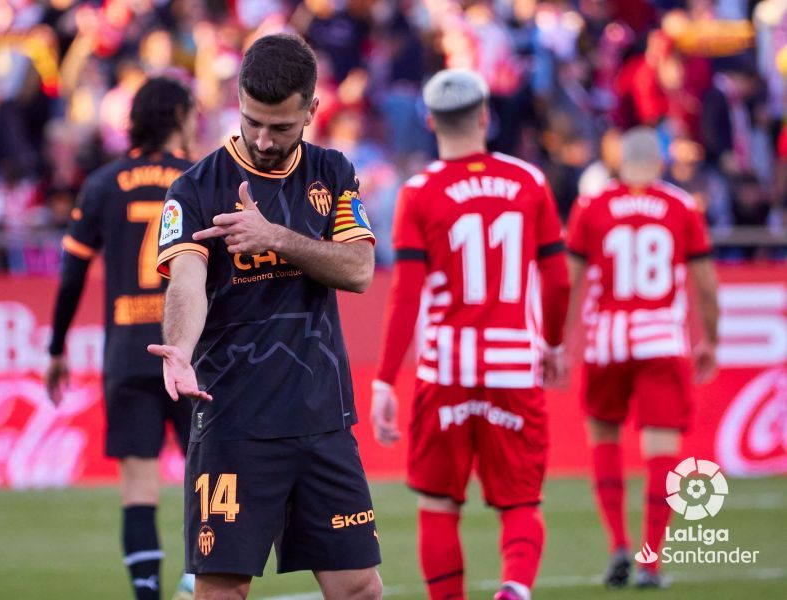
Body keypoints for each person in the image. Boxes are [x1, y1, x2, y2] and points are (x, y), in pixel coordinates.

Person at [148, 34, 383, 600]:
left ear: (311, 110)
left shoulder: (332, 172)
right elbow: (185, 282)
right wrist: (179, 349)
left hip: (321, 418)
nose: (263, 138)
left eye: (280, 127)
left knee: (358, 588)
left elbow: (358, 269)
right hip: (233, 423)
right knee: (222, 591)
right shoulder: (195, 187)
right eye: (252, 121)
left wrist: (272, 237)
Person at [370, 69, 571, 600]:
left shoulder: (419, 192)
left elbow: (406, 295)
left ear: (431, 121)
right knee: (522, 501)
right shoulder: (530, 182)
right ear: (486, 116)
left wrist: (385, 380)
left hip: (447, 368)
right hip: (512, 361)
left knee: (438, 502)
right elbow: (557, 278)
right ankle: (514, 588)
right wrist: (552, 343)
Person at [45, 76, 198, 600]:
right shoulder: (197, 177)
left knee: (138, 487)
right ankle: (198, 580)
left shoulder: (103, 182)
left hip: (129, 352)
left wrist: (56, 348)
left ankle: (150, 594)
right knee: (212, 477)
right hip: (191, 351)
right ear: (178, 115)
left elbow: (70, 277)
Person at [564, 127, 719, 589]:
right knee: (661, 451)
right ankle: (651, 562)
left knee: (604, 437)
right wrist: (710, 338)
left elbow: (568, 282)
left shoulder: (591, 206)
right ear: (660, 163)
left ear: (619, 162)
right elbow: (706, 286)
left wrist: (558, 339)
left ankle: (618, 544)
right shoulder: (681, 207)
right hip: (660, 341)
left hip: (606, 340)